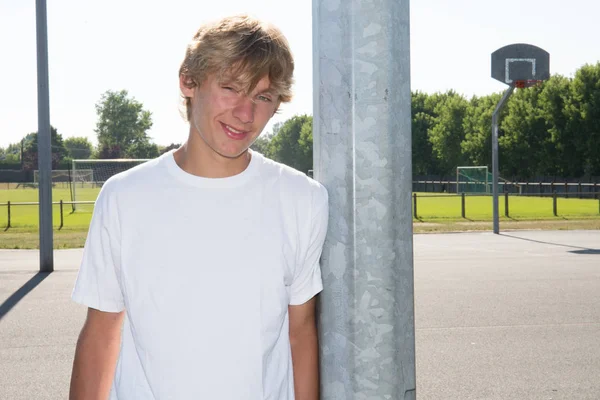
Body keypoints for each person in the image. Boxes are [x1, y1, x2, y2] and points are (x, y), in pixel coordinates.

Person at [69, 14, 329, 400]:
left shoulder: (302, 199)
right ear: (188, 81)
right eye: (231, 88)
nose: (245, 113)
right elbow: (102, 335)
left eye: (263, 96)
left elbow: (300, 333)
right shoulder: (124, 197)